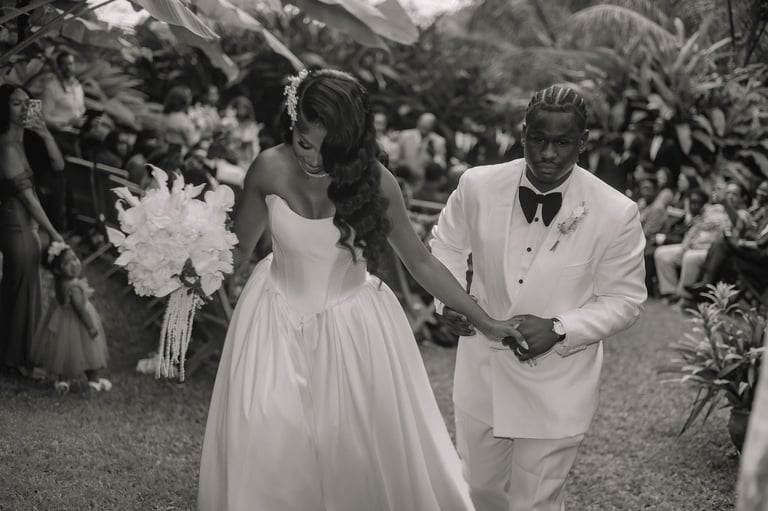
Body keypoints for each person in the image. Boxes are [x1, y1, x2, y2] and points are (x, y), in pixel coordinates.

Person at [197, 68, 524, 511]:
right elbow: (233, 256)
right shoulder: (268, 168)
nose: (313, 159)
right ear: (292, 126)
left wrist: (486, 320)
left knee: (352, 444)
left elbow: (422, 260)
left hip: (353, 328)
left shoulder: (376, 181)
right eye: (303, 143)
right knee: (270, 431)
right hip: (274, 318)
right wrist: (187, 264)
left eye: (327, 149)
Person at [430, 85, 647, 511]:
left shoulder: (615, 212)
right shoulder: (477, 184)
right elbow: (446, 245)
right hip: (481, 374)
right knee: (479, 492)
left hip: (556, 385)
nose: (548, 153)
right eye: (538, 139)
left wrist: (560, 329)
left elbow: (625, 300)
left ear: (582, 143)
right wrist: (451, 302)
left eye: (563, 142)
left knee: (536, 502)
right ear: (523, 133)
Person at [0, 84, 65, 377]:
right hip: (16, 226)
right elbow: (27, 197)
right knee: (22, 290)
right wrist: (54, 232)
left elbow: (59, 164)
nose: (23, 108)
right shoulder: (5, 146)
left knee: (24, 289)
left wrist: (45, 133)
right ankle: (16, 360)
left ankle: (16, 356)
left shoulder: (29, 142)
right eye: (16, 103)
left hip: (28, 226)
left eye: (27, 103)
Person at [30, 242, 110, 393]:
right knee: (89, 353)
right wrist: (91, 327)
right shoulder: (74, 287)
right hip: (79, 325)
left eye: (74, 258)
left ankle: (63, 381)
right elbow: (80, 309)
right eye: (67, 263)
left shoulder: (60, 284)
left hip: (62, 324)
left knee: (64, 353)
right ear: (58, 270)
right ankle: (93, 381)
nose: (74, 264)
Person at [41, 50, 87, 157]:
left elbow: (81, 111)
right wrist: (67, 121)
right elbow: (44, 117)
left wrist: (88, 121)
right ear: (58, 66)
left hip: (76, 137)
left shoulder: (78, 87)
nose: (68, 67)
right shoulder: (51, 88)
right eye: (64, 64)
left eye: (70, 63)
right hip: (58, 137)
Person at [395, 112, 447, 192]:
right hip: (406, 174)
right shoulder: (405, 135)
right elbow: (397, 157)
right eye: (423, 125)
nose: (424, 129)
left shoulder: (439, 141)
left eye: (428, 126)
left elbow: (441, 165)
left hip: (425, 179)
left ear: (433, 127)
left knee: (434, 170)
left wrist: (434, 156)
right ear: (418, 123)